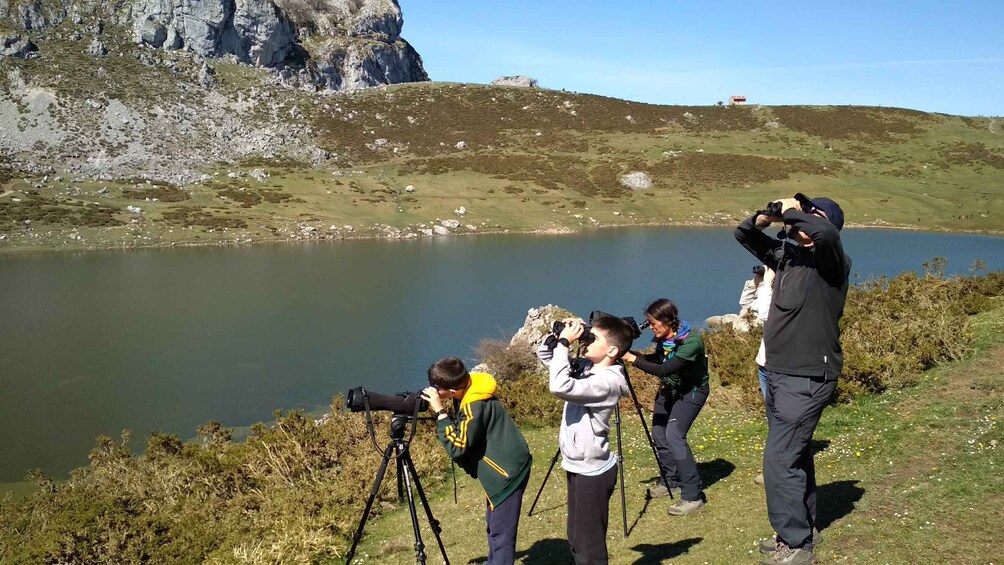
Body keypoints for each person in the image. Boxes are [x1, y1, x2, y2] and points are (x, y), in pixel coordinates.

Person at [735, 195, 851, 565]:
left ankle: (796, 544)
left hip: (807, 376)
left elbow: (826, 233)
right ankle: (805, 525)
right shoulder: (787, 256)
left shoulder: (831, 262)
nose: (801, 223)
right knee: (794, 452)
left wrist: (792, 211)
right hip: (778, 373)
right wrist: (763, 217)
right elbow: (743, 235)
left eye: (809, 217)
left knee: (780, 460)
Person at [536, 315, 633, 565]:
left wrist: (565, 345)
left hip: (593, 471)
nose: (587, 340)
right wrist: (559, 337)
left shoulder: (607, 382)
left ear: (612, 350)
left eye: (594, 337)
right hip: (578, 464)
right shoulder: (588, 367)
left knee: (589, 546)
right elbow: (545, 355)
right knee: (576, 538)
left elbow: (559, 386)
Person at [421, 357, 532, 565]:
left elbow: (457, 446)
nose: (433, 391)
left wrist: (440, 413)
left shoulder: (474, 406)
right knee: (494, 525)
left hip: (507, 474)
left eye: (436, 388)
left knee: (501, 533)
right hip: (508, 464)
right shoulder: (471, 389)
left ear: (453, 391)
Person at [621, 299, 710, 516]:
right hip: (669, 390)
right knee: (660, 434)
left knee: (674, 435)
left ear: (667, 320)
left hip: (691, 391)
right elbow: (660, 359)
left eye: (653, 323)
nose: (651, 327)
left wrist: (632, 359)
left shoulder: (691, 342)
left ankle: (693, 496)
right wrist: (640, 356)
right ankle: (671, 480)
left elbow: (666, 369)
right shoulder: (665, 339)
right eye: (648, 323)